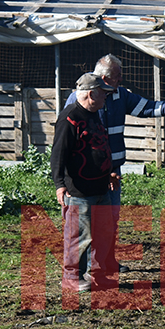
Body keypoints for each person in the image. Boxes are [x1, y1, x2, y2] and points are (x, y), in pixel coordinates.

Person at [64, 54, 165, 271]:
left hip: (113, 173)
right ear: (103, 78)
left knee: (111, 220)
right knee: (88, 223)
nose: (120, 80)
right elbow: (66, 142)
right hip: (86, 175)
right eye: (117, 77)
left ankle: (106, 261)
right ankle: (84, 269)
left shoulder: (120, 95)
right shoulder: (78, 100)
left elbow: (147, 107)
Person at [51, 73, 120, 292]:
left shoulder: (94, 115)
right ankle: (71, 277)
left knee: (103, 234)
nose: (105, 99)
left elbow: (97, 148)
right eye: (103, 95)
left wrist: (108, 172)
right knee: (78, 236)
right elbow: (58, 153)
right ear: (91, 95)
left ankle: (97, 274)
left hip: (101, 187)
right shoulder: (70, 118)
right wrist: (60, 184)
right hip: (79, 190)